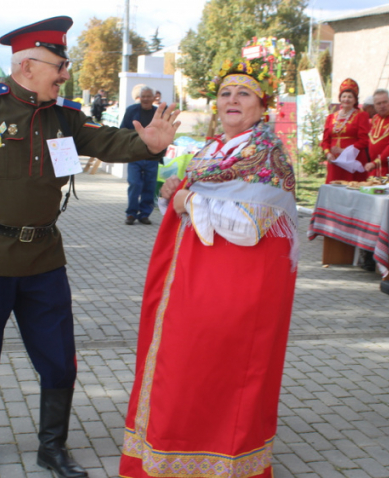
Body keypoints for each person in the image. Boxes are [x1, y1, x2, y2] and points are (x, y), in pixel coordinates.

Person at [0, 18, 180, 478]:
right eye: (59, 65)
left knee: (59, 358)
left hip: (43, 258)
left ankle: (52, 448)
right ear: (26, 65)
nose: (65, 73)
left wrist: (147, 145)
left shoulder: (64, 115)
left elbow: (105, 140)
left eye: (65, 64)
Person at [120, 52, 298, 478]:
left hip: (234, 286)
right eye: (225, 93)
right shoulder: (217, 146)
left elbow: (248, 227)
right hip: (192, 278)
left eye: (244, 93)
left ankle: (218, 460)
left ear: (262, 106)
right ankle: (174, 453)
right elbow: (193, 203)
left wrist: (187, 199)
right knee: (183, 369)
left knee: (219, 374)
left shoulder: (266, 154)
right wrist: (173, 192)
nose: (232, 99)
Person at [121, 86, 159, 225]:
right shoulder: (131, 111)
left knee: (149, 186)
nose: (146, 99)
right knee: (134, 183)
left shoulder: (158, 113)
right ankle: (131, 214)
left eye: (149, 96)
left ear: (154, 98)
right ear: (139, 97)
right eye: (143, 96)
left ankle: (144, 214)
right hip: (135, 155)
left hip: (152, 155)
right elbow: (123, 130)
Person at [322, 78, 370, 184]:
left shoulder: (361, 115)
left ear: (355, 99)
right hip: (334, 162)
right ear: (340, 98)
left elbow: (364, 140)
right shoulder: (330, 117)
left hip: (352, 160)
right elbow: (325, 141)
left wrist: (343, 151)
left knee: (351, 188)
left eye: (350, 97)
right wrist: (328, 154)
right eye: (344, 96)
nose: (346, 99)